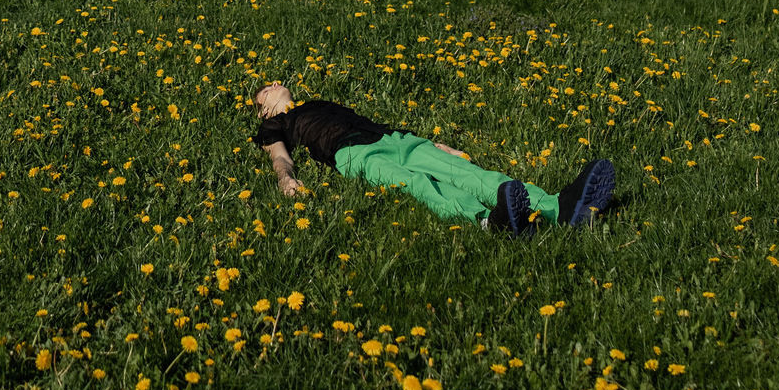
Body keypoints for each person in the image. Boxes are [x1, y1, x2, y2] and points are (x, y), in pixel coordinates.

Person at [251, 82, 615, 235]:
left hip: (396, 138)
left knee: (469, 172)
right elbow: (278, 157)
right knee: (418, 185)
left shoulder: (316, 104)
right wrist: (286, 178)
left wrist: (436, 145)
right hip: (354, 154)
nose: (274, 84)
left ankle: (560, 208)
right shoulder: (277, 124)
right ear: (263, 110)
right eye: (265, 89)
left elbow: (372, 122)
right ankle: (491, 221)